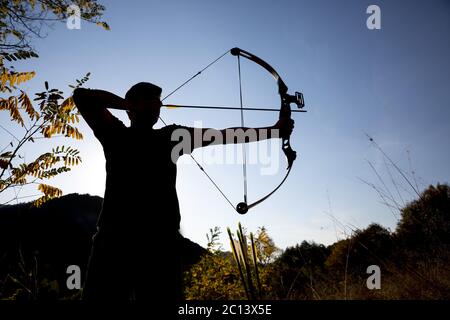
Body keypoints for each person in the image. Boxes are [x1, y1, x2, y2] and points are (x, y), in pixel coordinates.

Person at [73, 82, 294, 301]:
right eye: (149, 100)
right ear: (131, 108)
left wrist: (274, 131)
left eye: (158, 102)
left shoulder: (171, 137)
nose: (156, 106)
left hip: (161, 243)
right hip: (115, 240)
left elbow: (225, 135)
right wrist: (128, 104)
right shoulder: (116, 134)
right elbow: (82, 96)